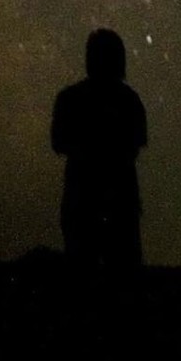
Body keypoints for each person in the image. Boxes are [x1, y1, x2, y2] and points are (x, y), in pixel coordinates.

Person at [51, 29, 147, 266]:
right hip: (119, 201)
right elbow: (135, 145)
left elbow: (59, 143)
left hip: (81, 201)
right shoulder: (129, 101)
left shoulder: (70, 99)